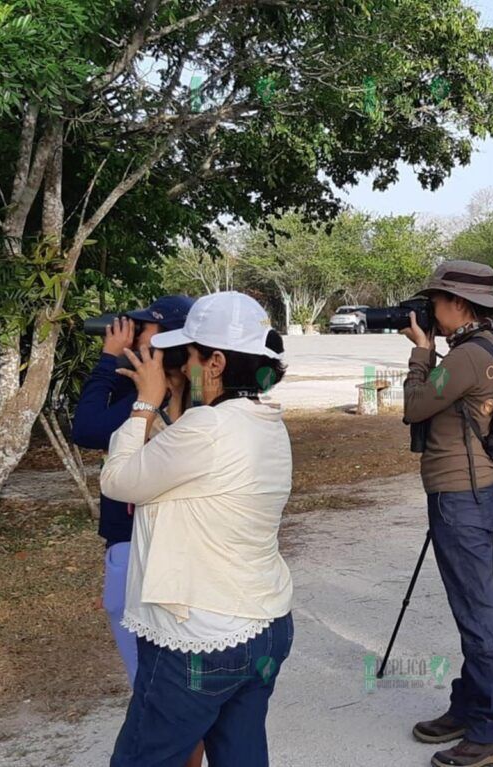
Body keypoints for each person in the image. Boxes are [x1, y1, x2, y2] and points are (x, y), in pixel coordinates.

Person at [101, 291, 294, 766]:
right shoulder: (265, 421)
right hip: (263, 626)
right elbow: (181, 469)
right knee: (242, 754)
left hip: (202, 637)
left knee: (143, 757)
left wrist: (144, 404)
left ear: (215, 362)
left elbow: (118, 480)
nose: (181, 366)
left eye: (187, 355)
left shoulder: (206, 428)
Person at [401, 261, 493, 767]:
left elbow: (415, 405)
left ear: (460, 305)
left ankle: (491, 733)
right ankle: (469, 706)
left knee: (479, 612)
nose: (432, 310)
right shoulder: (483, 347)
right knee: (473, 608)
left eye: (437, 302)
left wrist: (420, 354)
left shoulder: (467, 356)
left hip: (460, 496)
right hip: (474, 491)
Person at [71, 296, 194, 686]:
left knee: (148, 665)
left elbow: (87, 429)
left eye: (144, 330)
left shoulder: (143, 401)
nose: (134, 336)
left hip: (135, 538)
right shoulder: (200, 397)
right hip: (167, 540)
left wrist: (107, 360)